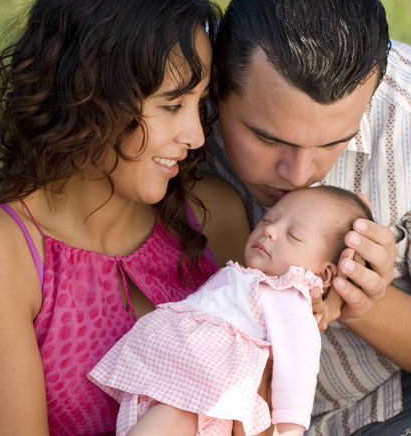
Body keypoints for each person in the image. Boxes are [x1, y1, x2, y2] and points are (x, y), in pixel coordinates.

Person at [203, 0, 411, 435]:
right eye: (267, 138)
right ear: (216, 87)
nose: (300, 174)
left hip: (406, 398)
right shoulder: (178, 92)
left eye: (333, 142)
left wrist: (365, 302)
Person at [0, 0, 254, 435]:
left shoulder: (212, 215)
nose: (197, 137)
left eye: (201, 104)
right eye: (172, 104)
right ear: (90, 93)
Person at [88, 186, 373, 436]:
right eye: (269, 218)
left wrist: (290, 427)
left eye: (293, 235)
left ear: (324, 275)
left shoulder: (287, 295)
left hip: (206, 392)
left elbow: (298, 361)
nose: (270, 230)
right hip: (185, 382)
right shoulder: (245, 277)